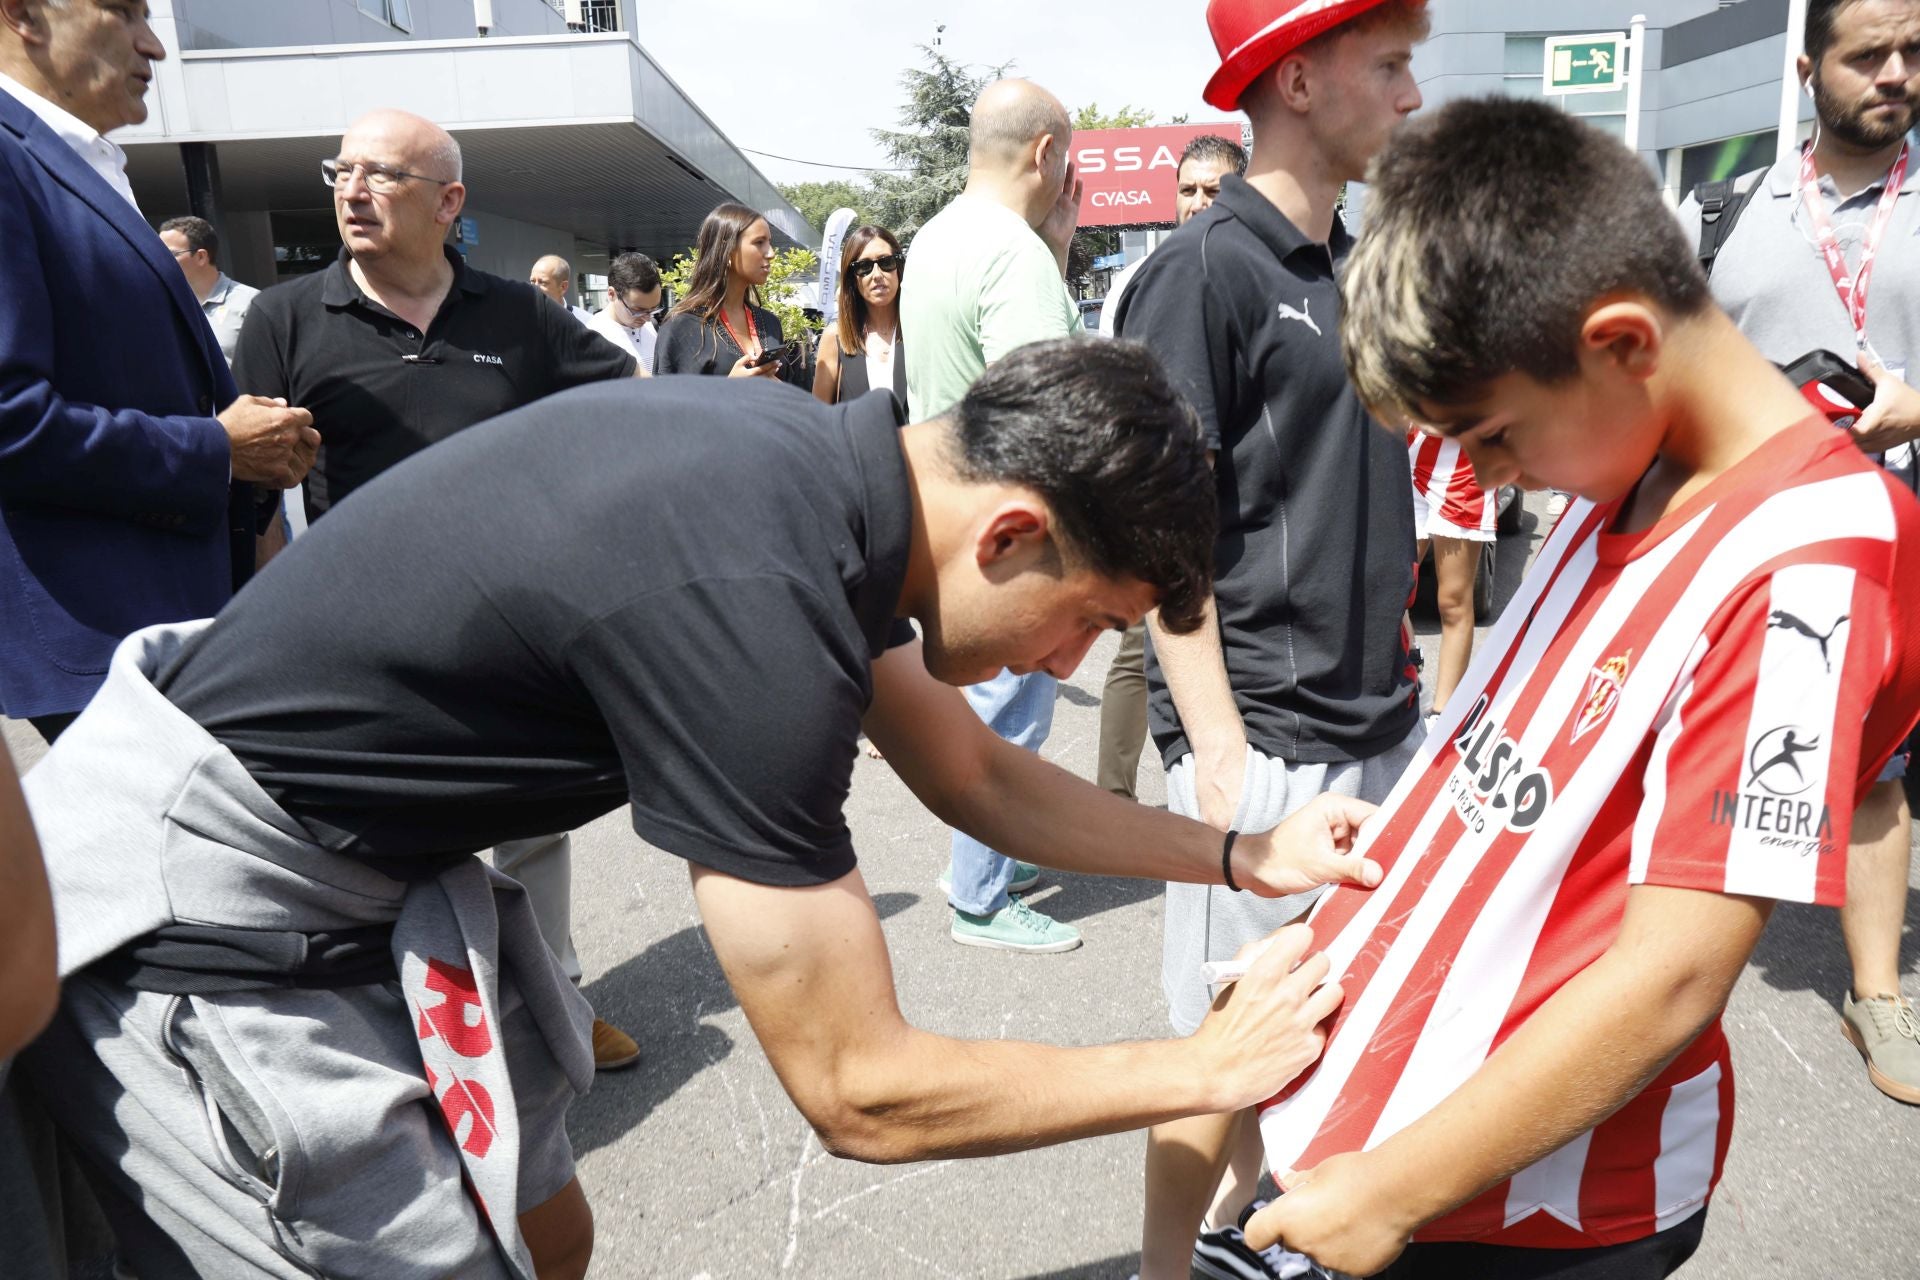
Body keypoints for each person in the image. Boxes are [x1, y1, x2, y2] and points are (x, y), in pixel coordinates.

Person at [21, 340, 1384, 1280]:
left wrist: (1238, 855)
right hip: (208, 904)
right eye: (1088, 620)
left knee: (545, 1235)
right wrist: (1200, 1070)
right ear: (1013, 533)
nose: (1072, 667)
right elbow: (862, 1094)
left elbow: (973, 775)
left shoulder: (826, 481)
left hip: (377, 863)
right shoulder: (754, 605)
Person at [1241, 94, 1920, 1280]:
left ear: (1619, 342)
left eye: (1492, 435)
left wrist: (1388, 1189)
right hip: (1400, 1097)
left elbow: (1670, 975)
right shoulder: (1635, 448)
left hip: (1529, 1196)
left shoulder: (1807, 564)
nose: (1483, 475)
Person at [1111, 3, 1428, 1275]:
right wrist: (1227, 755)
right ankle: (1163, 1269)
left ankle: (1275, 1237)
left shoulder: (1347, 260)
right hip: (1266, 742)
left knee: (1330, 1031)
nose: (1412, 96)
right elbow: (1154, 529)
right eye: (1391, 65)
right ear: (1299, 78)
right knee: (1225, 1042)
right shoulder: (1200, 270)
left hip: (1378, 728)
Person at [230, 107, 643, 1070]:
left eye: (382, 175)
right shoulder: (286, 318)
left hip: (515, 624)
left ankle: (554, 1010)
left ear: (448, 202)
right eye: (342, 170)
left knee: (533, 829)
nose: (353, 189)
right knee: (391, 844)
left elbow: (622, 401)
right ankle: (422, 1038)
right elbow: (250, 488)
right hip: (362, 636)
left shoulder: (518, 315)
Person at [1675, 0, 1920, 1107]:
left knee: (1875, 767)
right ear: (1807, 63)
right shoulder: (1725, 209)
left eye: (1913, 52)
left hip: (1894, 542)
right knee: (1715, 755)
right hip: (1752, 542)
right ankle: (1666, 979)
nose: (1895, 73)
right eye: (1868, 54)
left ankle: (1877, 992)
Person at [0, 0, 316, 745]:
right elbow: (10, 421)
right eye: (123, 12)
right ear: (23, 15)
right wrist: (218, 448)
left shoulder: (80, 162)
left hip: (166, 624)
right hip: (103, 635)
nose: (154, 45)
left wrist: (257, 451)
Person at [901, 77, 1089, 952]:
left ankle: (981, 867)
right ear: (1046, 153)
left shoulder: (937, 239)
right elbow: (1052, 411)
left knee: (989, 709)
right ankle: (979, 897)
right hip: (1011, 529)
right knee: (1009, 721)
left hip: (950, 512)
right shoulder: (1012, 255)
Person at [1096, 132, 1247, 802]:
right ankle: (1114, 801)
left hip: (1238, 530)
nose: (1197, 202)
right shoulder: (1143, 281)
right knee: (1138, 652)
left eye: (1212, 189)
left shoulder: (1258, 277)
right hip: (1155, 511)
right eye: (1187, 189)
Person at [653, 203, 807, 387]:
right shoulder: (681, 328)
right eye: (759, 242)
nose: (771, 253)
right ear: (727, 250)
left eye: (769, 242)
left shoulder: (770, 324)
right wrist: (728, 389)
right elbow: (666, 406)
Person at [1407, 428, 1496, 727]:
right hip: (1406, 453)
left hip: (1462, 464)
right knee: (1392, 586)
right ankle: (1410, 679)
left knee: (1453, 601)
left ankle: (1441, 718)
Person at [812, 224, 906, 405]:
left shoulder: (918, 329)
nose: (877, 274)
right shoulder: (835, 337)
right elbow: (820, 417)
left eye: (886, 263)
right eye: (864, 267)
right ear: (852, 279)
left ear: (898, 268)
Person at [158, 214, 260, 365]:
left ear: (201, 257)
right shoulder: (161, 305)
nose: (161, 260)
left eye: (171, 254)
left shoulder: (250, 303)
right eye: (158, 253)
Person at [585, 250, 661, 374]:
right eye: (638, 311)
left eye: (653, 309)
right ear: (612, 294)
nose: (647, 319)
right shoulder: (594, 338)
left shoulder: (651, 326)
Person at [530, 253, 593, 324]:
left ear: (563, 287)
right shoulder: (522, 319)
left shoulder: (586, 322)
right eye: (532, 281)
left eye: (543, 282)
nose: (535, 287)